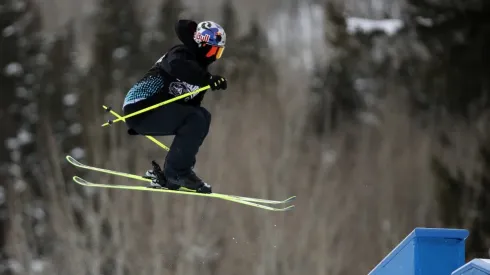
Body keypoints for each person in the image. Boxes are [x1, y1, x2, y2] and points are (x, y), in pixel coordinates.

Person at [122, 19, 228, 193]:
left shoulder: (201, 74)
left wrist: (208, 81)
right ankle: (177, 173)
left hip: (154, 114)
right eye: (211, 51)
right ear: (201, 45)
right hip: (141, 107)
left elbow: (191, 111)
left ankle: (172, 177)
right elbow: (179, 67)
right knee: (195, 118)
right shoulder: (181, 53)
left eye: (218, 53)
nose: (213, 57)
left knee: (202, 117)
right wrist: (207, 79)